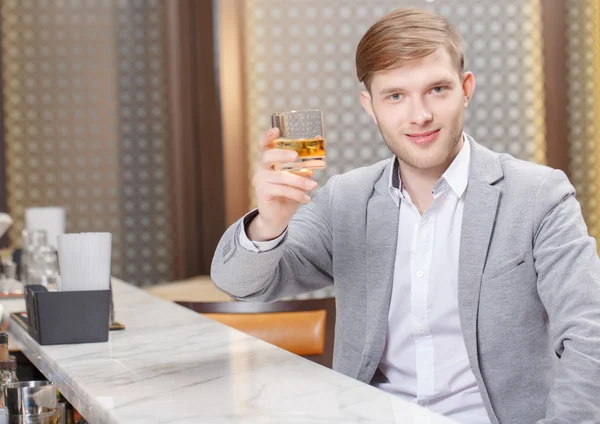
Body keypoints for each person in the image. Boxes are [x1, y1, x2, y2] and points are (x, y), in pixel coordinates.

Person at [211, 7, 600, 424]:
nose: (419, 115)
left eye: (437, 89)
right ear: (370, 106)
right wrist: (269, 221)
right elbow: (240, 284)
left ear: (466, 89)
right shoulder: (346, 199)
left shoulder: (539, 195)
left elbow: (589, 333)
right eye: (395, 95)